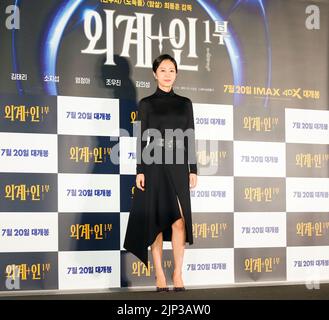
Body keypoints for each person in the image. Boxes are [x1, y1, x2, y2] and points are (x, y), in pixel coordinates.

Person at [124, 54, 197, 292]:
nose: (167, 74)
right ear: (155, 74)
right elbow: (141, 139)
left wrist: (192, 168)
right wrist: (139, 170)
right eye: (163, 69)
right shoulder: (146, 104)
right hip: (153, 165)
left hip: (177, 166)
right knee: (155, 222)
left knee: (179, 223)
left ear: (176, 74)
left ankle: (177, 273)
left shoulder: (185, 103)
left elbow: (190, 137)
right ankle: (159, 276)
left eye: (172, 70)